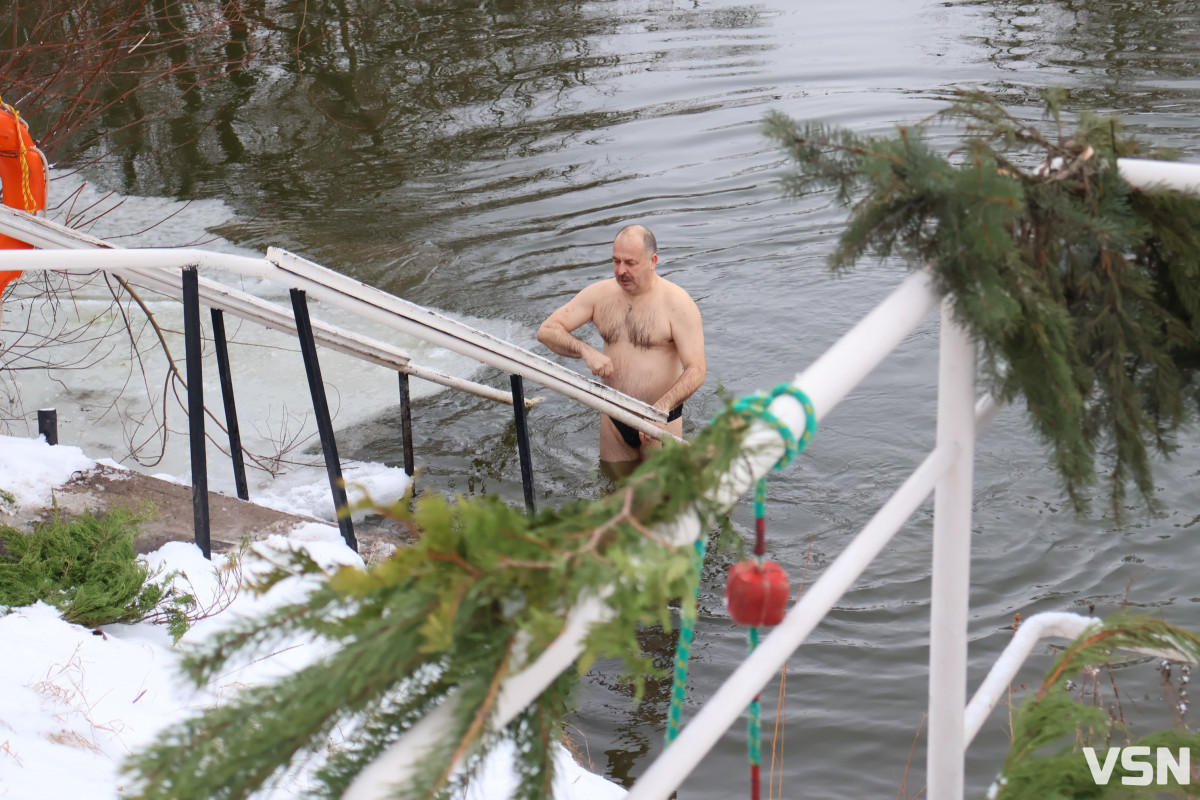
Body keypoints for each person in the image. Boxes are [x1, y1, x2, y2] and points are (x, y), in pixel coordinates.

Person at [537, 224, 705, 476]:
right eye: (615, 261)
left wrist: (660, 409)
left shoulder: (677, 303)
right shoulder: (600, 295)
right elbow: (547, 330)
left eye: (630, 262)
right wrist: (585, 350)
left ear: (653, 261)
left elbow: (697, 370)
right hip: (614, 416)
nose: (621, 270)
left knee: (659, 502)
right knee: (612, 497)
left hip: (660, 420)